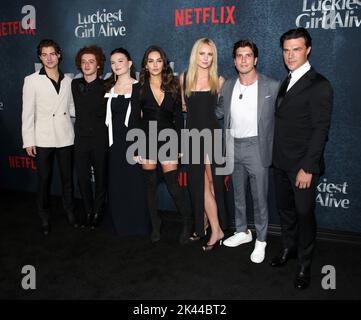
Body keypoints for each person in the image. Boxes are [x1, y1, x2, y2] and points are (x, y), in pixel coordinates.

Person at [270, 28, 333, 289]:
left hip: (302, 166)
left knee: (304, 214)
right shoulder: (286, 80)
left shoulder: (319, 84)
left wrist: (308, 167)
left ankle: (305, 264)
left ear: (308, 50)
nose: (290, 55)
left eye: (296, 49)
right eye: (286, 50)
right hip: (281, 162)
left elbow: (321, 130)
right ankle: (289, 248)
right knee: (285, 211)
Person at [216, 40, 280, 263]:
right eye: (239, 56)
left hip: (257, 147)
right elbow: (218, 111)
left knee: (260, 197)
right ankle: (242, 232)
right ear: (234, 60)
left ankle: (261, 239)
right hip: (233, 144)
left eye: (248, 55)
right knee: (238, 194)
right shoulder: (228, 85)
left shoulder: (272, 86)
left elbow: (282, 119)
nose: (244, 59)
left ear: (256, 59)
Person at [137, 45, 192, 244]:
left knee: (173, 185)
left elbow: (179, 117)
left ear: (164, 62)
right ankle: (156, 225)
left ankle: (187, 223)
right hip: (146, 138)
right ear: (145, 64)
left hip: (169, 138)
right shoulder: (139, 87)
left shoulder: (174, 85)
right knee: (150, 187)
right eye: (150, 61)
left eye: (158, 60)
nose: (154, 65)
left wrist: (180, 145)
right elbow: (136, 119)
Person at [22, 39, 77, 235]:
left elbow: (72, 108)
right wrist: (29, 140)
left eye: (52, 54)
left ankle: (70, 211)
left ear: (59, 55)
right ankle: (44, 216)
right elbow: (27, 113)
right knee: (44, 179)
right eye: (44, 55)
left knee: (67, 179)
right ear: (40, 57)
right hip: (43, 137)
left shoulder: (69, 81)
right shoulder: (32, 80)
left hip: (65, 136)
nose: (49, 58)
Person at [180, 38, 227, 251]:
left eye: (210, 54)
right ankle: (208, 224)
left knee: (212, 183)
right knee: (200, 184)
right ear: (195, 55)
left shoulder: (219, 80)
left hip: (212, 136)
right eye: (202, 53)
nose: (206, 58)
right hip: (191, 136)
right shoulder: (184, 79)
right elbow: (184, 108)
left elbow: (220, 112)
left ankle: (215, 228)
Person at [104, 48, 150, 236]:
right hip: (114, 144)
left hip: (133, 144)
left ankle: (138, 225)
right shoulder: (108, 88)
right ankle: (118, 223)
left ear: (130, 63)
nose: (116, 65)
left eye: (120, 61)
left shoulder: (140, 87)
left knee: (135, 184)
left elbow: (146, 119)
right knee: (117, 184)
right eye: (113, 62)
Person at [72, 45, 108, 228]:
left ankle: (97, 212)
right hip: (80, 139)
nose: (87, 65)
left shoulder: (106, 86)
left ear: (99, 65)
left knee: (101, 177)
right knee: (82, 177)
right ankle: (87, 210)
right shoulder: (74, 85)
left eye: (91, 62)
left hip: (100, 139)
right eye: (84, 62)